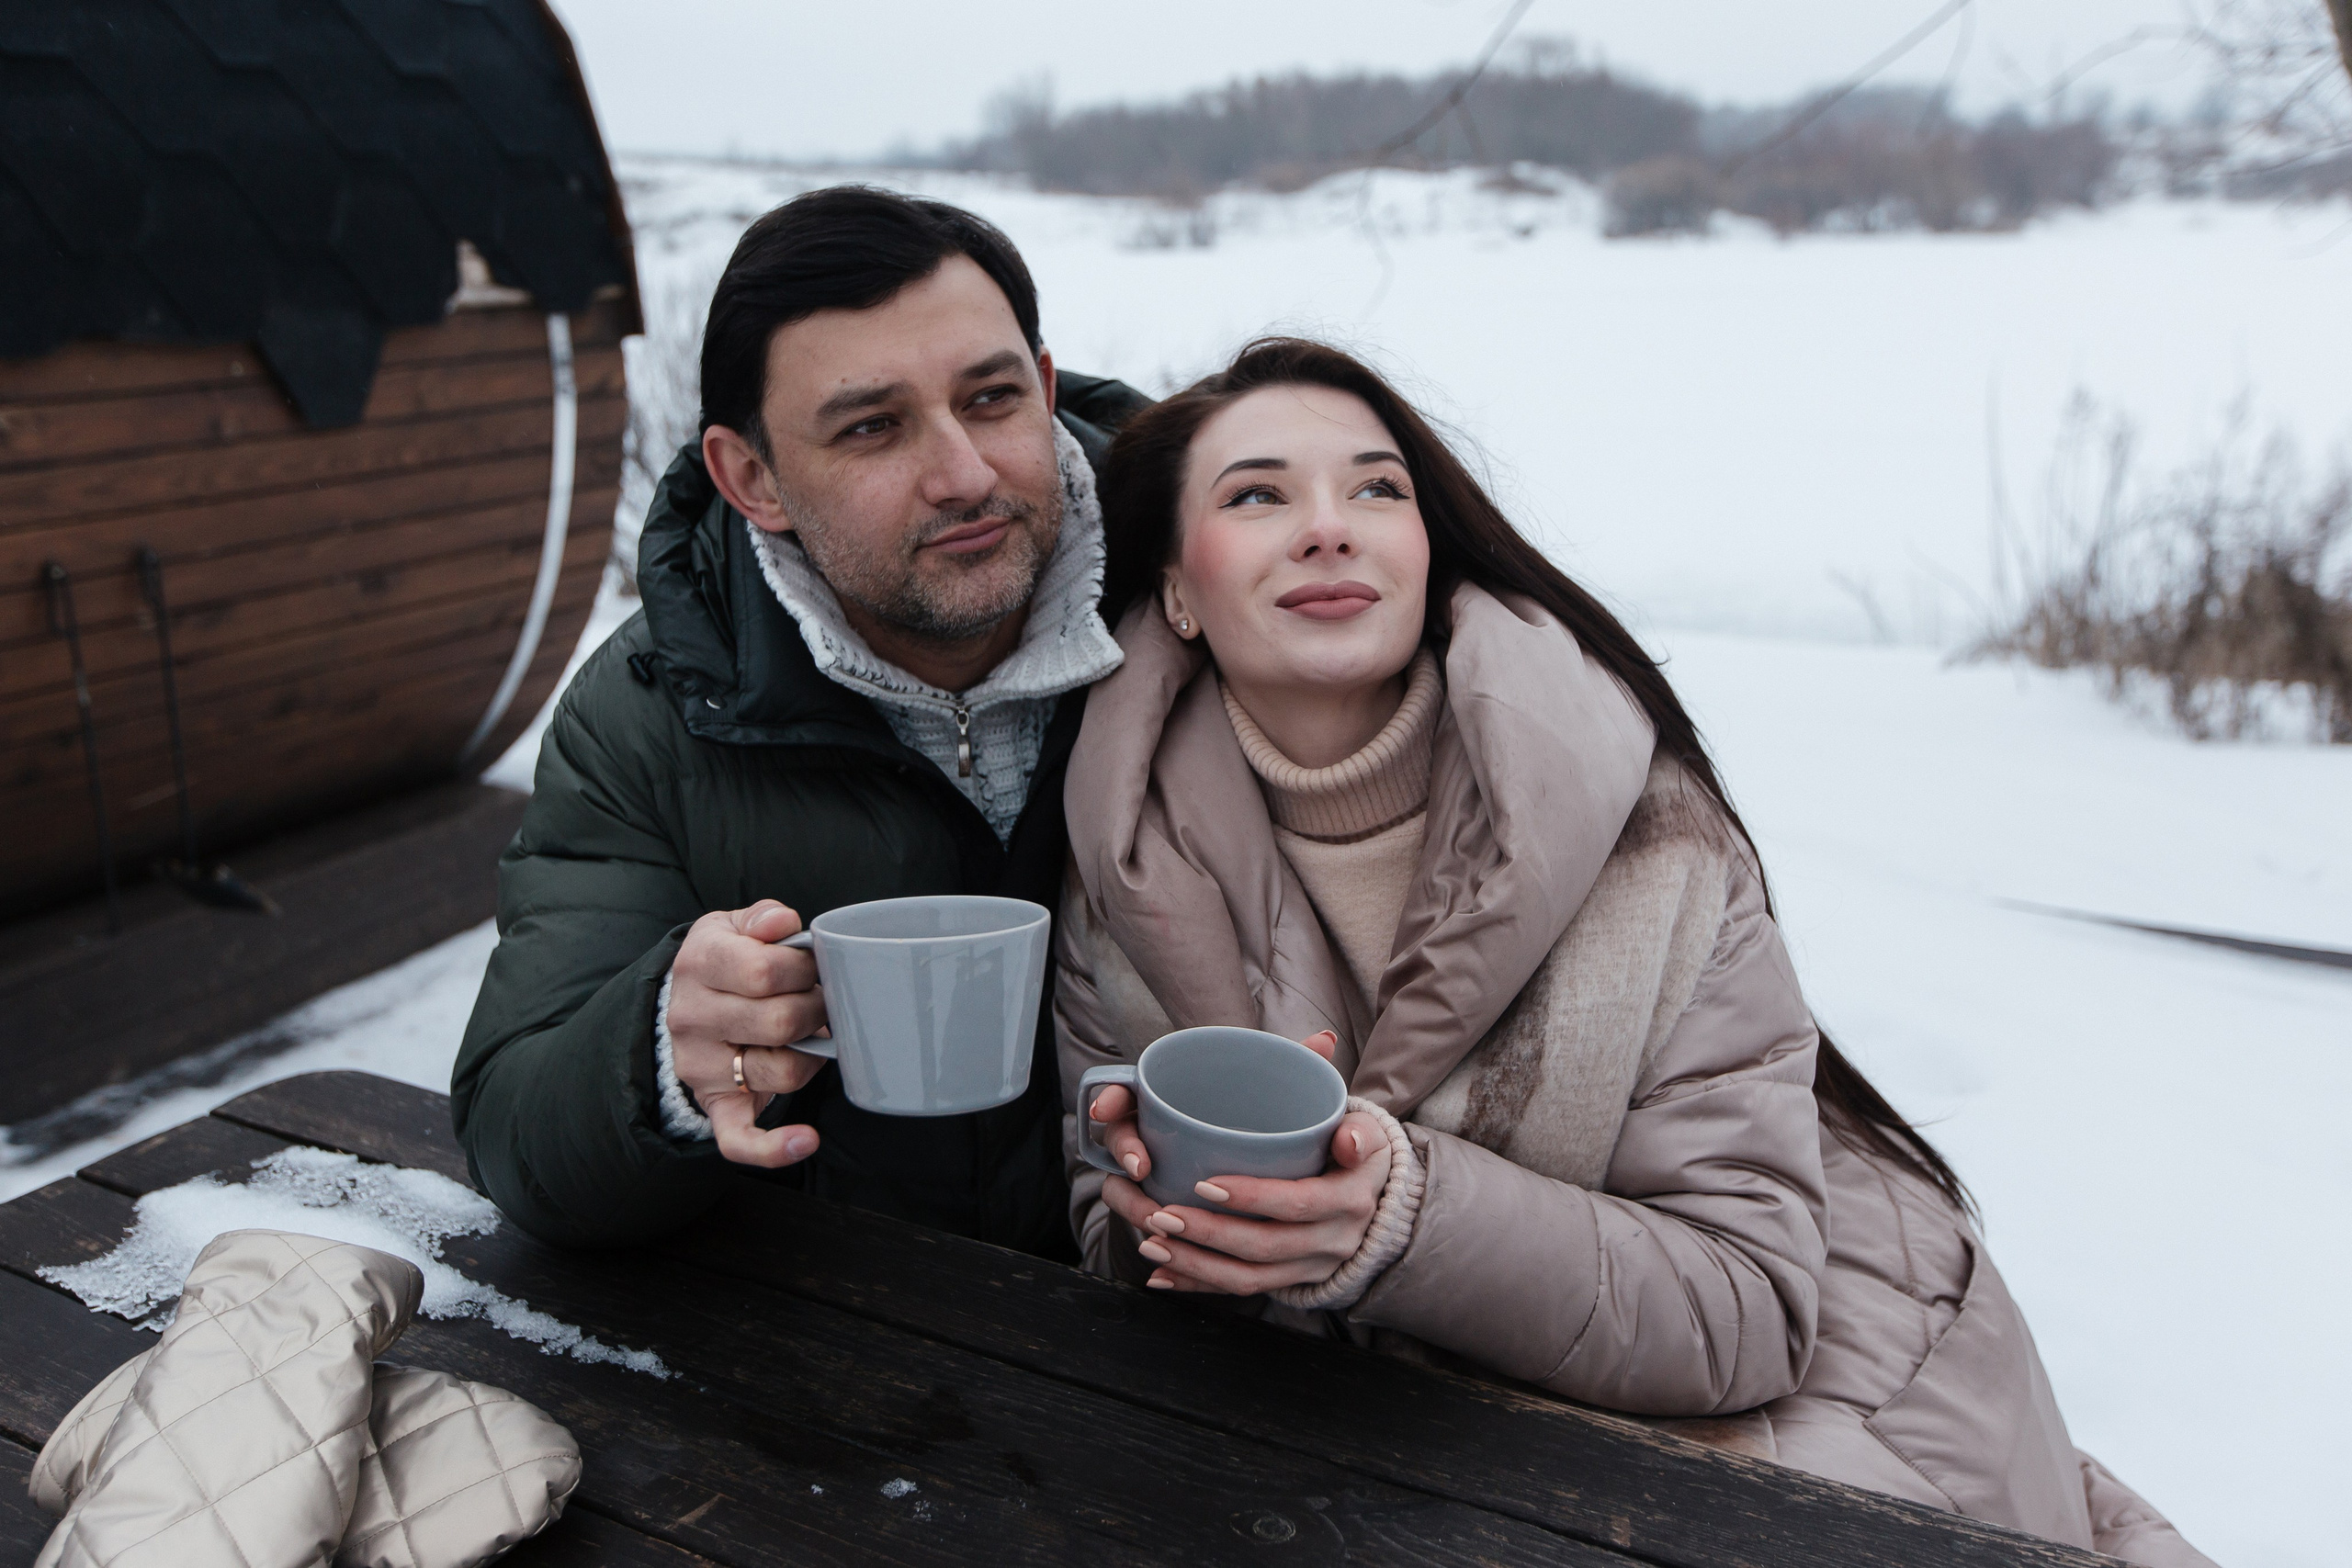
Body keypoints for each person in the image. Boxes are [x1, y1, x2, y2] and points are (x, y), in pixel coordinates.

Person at [1057, 338, 2213, 1566]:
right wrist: (1170, 1221)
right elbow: (1110, 1247)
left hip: (1834, 1396)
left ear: (1428, 549)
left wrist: (1402, 1216)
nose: (1329, 527)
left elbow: (1752, 1308)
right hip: (1425, 1443)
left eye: (1377, 488)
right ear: (1178, 587)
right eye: (1257, 494)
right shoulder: (1119, 859)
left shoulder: (1643, 829)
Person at [451, 186, 1147, 1255]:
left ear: (1045, 390)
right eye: (872, 427)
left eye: (994, 399)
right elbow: (517, 1136)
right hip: (828, 1360)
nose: (963, 474)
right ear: (751, 478)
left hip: (1221, 1363)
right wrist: (657, 1056)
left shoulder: (1216, 605)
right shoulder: (652, 712)